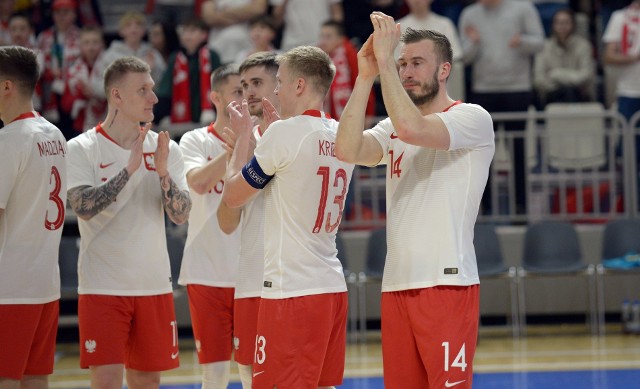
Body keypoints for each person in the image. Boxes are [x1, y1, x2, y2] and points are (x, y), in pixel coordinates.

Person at [335, 13, 494, 389]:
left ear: (444, 70)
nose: (406, 71)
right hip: (396, 285)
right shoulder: (392, 127)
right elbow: (345, 149)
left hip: (446, 284)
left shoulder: (471, 118)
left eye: (415, 63)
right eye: (402, 62)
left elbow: (414, 129)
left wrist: (386, 61)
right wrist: (365, 76)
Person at [222, 45, 353, 389]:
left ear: (299, 85)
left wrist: (244, 140)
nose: (275, 90)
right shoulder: (343, 133)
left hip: (292, 292)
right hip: (331, 285)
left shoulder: (283, 133)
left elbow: (234, 195)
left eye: (279, 82)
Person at [66, 56, 191, 387]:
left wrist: (163, 175)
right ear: (116, 96)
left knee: (148, 381)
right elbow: (83, 206)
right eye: (143, 90)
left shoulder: (167, 149)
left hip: (153, 285)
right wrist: (128, 170)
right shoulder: (81, 148)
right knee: (106, 381)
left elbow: (181, 214)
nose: (153, 97)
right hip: (102, 286)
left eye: (152, 89)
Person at [0, 45, 67, 389]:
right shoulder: (54, 134)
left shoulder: (9, 139)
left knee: (7, 378)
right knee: (35, 378)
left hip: (9, 286)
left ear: (7, 86)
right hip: (44, 281)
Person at [216, 51, 280, 389]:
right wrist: (240, 150)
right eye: (242, 87)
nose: (248, 93)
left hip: (293, 282)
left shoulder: (300, 133)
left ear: (281, 84)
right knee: (249, 380)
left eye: (257, 83)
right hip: (251, 280)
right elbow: (227, 222)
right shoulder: (242, 138)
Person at [177, 63, 243, 389]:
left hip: (252, 274)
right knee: (214, 376)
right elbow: (198, 184)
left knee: (251, 373)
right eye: (236, 92)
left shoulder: (263, 139)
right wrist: (232, 154)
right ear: (215, 97)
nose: (244, 99)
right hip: (206, 272)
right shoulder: (194, 140)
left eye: (247, 91)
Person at [459, 0, 544, 214]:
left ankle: (521, 207)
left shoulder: (523, 8)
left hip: (517, 87)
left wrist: (521, 41)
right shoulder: (470, 14)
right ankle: (486, 209)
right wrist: (474, 43)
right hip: (483, 89)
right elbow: (463, 57)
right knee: (484, 153)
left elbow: (539, 42)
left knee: (518, 150)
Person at [154, 18, 221, 125]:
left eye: (192, 31)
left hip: (209, 112)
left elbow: (219, 85)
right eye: (184, 31)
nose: (187, 35)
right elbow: (166, 89)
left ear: (204, 35)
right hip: (181, 113)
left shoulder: (212, 56)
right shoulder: (175, 58)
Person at [533, 8, 595, 106]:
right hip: (551, 95)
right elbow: (539, 80)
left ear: (573, 25)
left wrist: (556, 74)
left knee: (570, 92)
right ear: (553, 25)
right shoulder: (544, 47)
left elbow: (586, 76)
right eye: (558, 23)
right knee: (562, 93)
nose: (562, 26)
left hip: (578, 95)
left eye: (566, 22)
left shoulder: (584, 45)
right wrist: (561, 84)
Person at [318, 20, 376, 122]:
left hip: (351, 116)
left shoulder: (350, 54)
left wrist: (368, 113)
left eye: (328, 37)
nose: (323, 41)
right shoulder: (320, 55)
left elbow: (364, 79)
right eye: (322, 36)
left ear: (340, 39)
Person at [36, 0, 81, 133]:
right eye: (58, 13)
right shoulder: (44, 36)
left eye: (66, 12)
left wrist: (66, 73)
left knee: (70, 130)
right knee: (50, 129)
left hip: (72, 89)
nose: (62, 16)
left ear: (74, 14)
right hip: (49, 88)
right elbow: (37, 60)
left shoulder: (80, 35)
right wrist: (49, 71)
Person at [60, 26, 107, 134]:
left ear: (102, 44)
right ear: (80, 46)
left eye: (95, 42)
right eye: (86, 43)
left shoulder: (111, 66)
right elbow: (65, 105)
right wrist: (81, 94)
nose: (91, 47)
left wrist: (98, 93)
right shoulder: (73, 70)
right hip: (81, 127)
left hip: (108, 124)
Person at [201, 0, 268, 63]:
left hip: (246, 46)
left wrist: (222, 12)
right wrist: (242, 15)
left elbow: (258, 9)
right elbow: (209, 17)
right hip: (218, 46)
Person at [270, 0, 344, 50]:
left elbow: (337, 14)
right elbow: (276, 20)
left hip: (322, 43)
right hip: (292, 44)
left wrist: (333, 38)